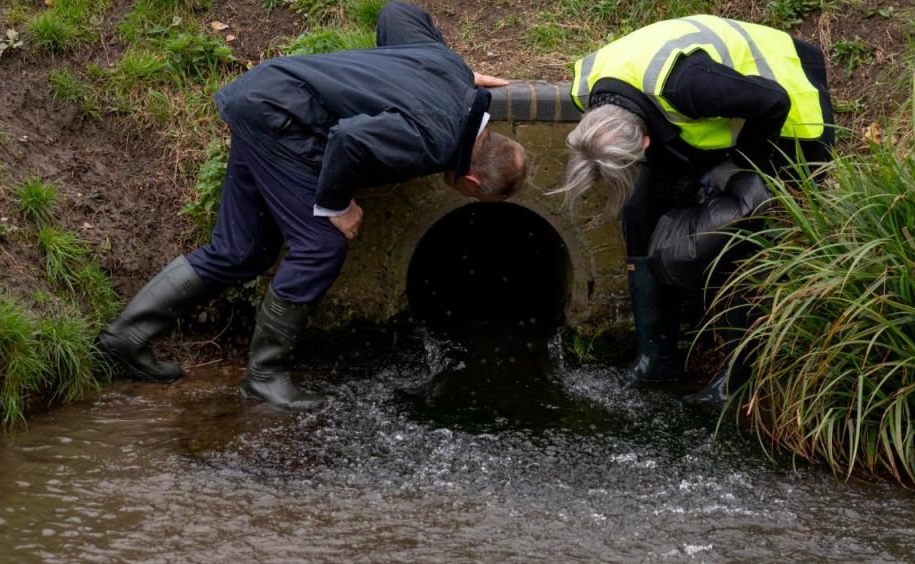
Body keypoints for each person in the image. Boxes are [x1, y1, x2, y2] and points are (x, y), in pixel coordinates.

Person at [97, 1, 528, 410]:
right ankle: (264, 379)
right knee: (320, 245)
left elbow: (398, 12)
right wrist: (336, 205)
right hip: (283, 121)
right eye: (474, 197)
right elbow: (349, 139)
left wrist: (433, 75)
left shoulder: (450, 70)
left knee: (242, 249)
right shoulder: (434, 142)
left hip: (265, 98)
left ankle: (125, 338)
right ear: (471, 182)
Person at [556, 14, 833, 404]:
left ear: (645, 143)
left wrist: (735, 172)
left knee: (739, 227)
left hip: (791, 110)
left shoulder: (689, 86)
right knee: (638, 210)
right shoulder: (588, 90)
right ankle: (657, 359)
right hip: (716, 114)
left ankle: (739, 378)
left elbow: (775, 102)